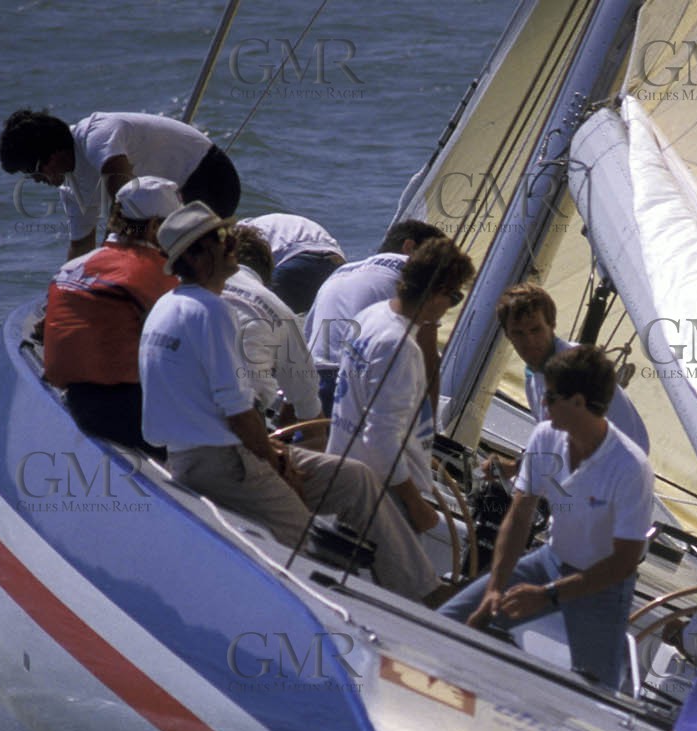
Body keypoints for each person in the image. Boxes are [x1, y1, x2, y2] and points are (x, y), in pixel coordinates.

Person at [139, 202, 440, 603]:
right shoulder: (211, 312)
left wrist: (273, 452)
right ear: (197, 256)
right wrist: (276, 461)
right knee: (311, 543)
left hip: (201, 454)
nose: (232, 243)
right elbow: (238, 412)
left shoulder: (168, 304)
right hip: (225, 463)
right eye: (221, 238)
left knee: (355, 478)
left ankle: (424, 592)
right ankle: (367, 608)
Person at [441, 345, 654, 690]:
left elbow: (624, 562)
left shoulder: (631, 468)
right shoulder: (545, 436)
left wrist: (548, 595)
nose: (542, 403)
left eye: (551, 397)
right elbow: (519, 516)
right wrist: (495, 588)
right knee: (447, 622)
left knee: (597, 696)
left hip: (603, 585)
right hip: (548, 561)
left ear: (579, 403)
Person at [327, 238, 474, 538]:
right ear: (437, 293)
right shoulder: (399, 347)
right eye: (454, 297)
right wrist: (415, 504)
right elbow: (381, 440)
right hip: (379, 496)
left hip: (346, 474)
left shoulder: (372, 316)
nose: (450, 307)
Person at [42, 176, 182, 456]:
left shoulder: (72, 267)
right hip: (126, 412)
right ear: (155, 227)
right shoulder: (155, 273)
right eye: (176, 227)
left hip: (76, 401)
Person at [0, 109, 240, 262]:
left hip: (209, 176)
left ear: (52, 154)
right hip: (170, 204)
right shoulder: (71, 190)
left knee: (151, 251)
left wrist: (110, 263)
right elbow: (81, 246)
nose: (37, 180)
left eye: (33, 171)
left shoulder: (95, 134)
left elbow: (123, 193)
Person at [305, 219, 446, 414]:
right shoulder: (414, 274)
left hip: (315, 380)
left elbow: (308, 338)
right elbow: (427, 359)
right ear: (409, 247)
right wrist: (429, 423)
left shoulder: (341, 271)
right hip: (361, 385)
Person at [496, 283, 648, 454]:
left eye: (536, 330)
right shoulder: (533, 377)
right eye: (518, 333)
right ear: (507, 335)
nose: (529, 341)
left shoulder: (581, 368)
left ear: (551, 325)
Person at [222, 226, 323, 429]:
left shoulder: (187, 289)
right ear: (267, 276)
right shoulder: (278, 310)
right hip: (241, 419)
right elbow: (308, 404)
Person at [238, 212, 345, 313]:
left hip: (296, 262)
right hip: (336, 264)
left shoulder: (241, 233)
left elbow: (249, 271)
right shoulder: (266, 223)